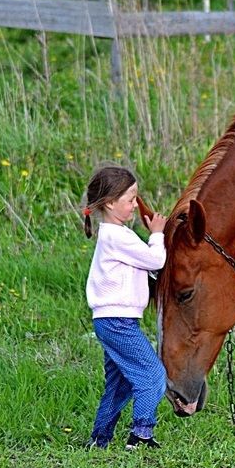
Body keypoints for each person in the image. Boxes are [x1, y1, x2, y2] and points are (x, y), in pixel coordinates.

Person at [82, 166, 168, 449]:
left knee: (119, 384)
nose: (134, 205)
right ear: (109, 203)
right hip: (117, 320)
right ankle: (141, 434)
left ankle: (100, 439)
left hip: (111, 319)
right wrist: (157, 234)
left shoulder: (114, 236)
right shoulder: (117, 236)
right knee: (152, 375)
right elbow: (155, 261)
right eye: (130, 199)